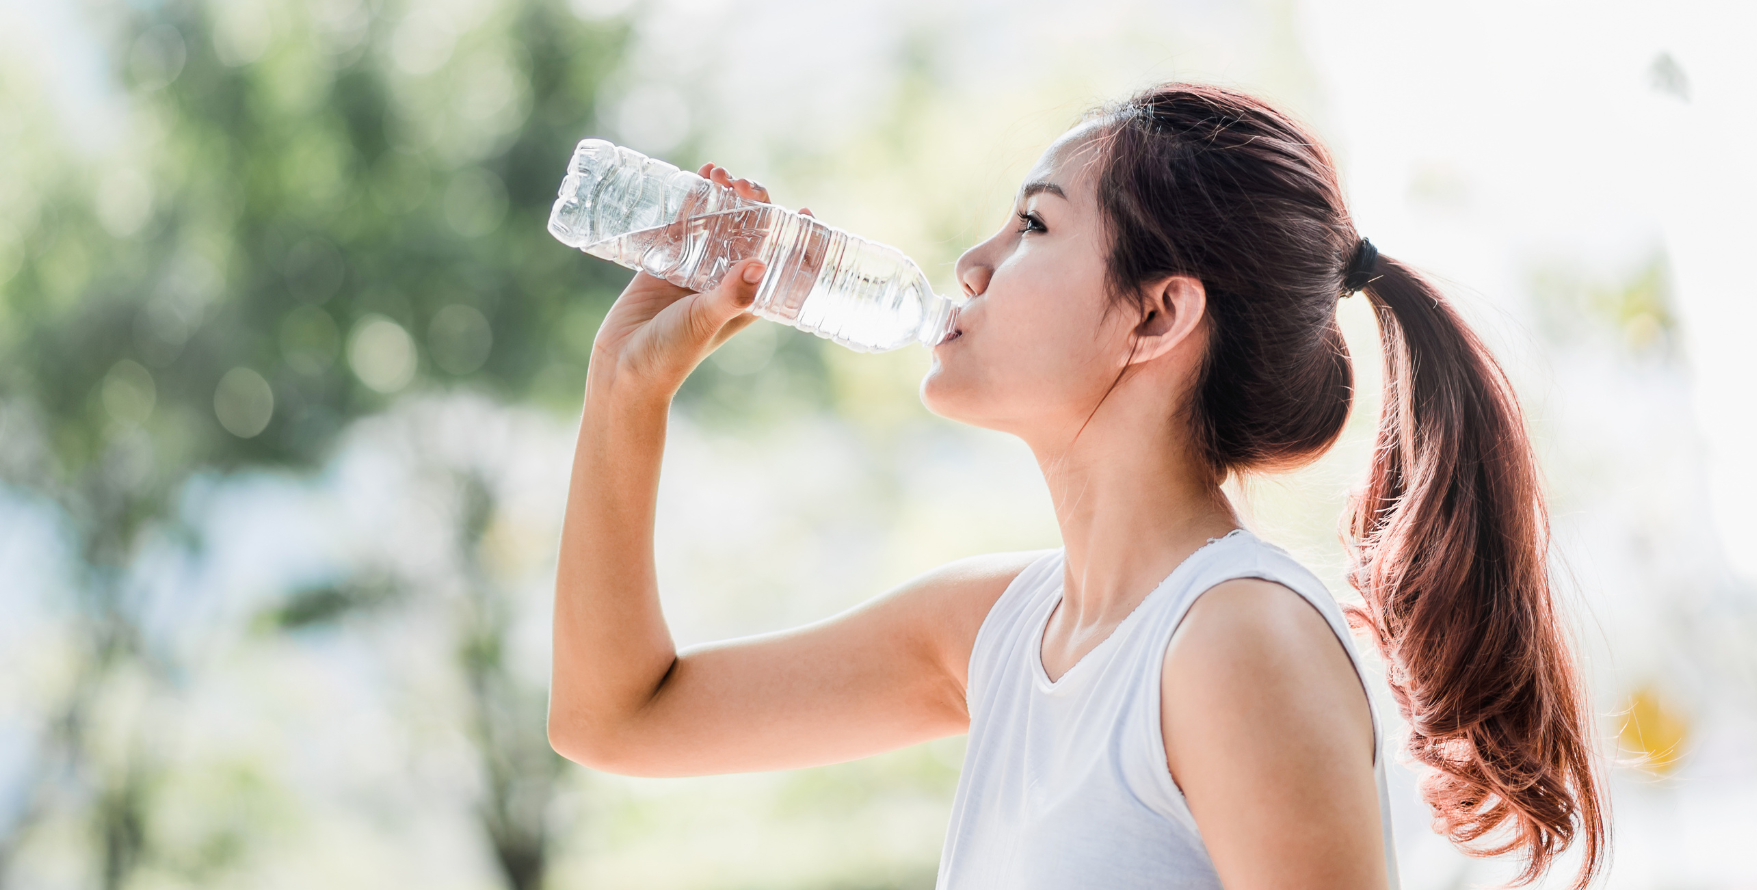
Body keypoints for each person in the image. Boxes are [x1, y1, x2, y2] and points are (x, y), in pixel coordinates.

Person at [547, 84, 1607, 889]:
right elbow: (618, 718)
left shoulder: (1236, 643)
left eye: (1034, 225)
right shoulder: (996, 632)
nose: (972, 264)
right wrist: (626, 389)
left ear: (1157, 315)